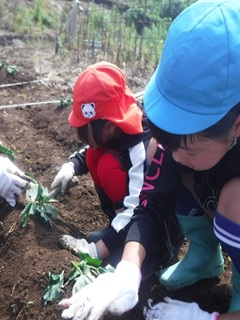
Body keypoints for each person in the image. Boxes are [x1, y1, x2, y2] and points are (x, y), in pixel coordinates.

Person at [57, 1, 240, 320]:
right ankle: (204, 254)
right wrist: (126, 271)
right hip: (214, 187)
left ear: (236, 126)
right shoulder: (176, 144)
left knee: (234, 200)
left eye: (190, 149)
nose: (177, 158)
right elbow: (150, 208)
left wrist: (205, 318)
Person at [51, 61, 184, 273]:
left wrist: (96, 251)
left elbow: (137, 209)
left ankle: (150, 252)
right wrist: (72, 165)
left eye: (86, 132)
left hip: (156, 227)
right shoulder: (115, 128)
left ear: (110, 126)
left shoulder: (141, 146)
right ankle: (117, 232)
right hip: (133, 213)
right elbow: (90, 150)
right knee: (96, 156)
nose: (83, 138)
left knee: (108, 165)